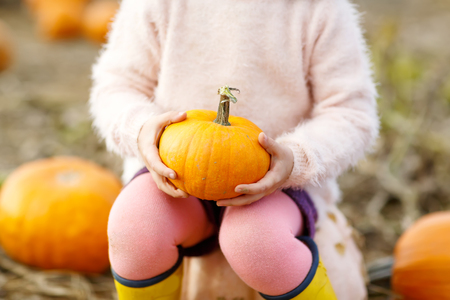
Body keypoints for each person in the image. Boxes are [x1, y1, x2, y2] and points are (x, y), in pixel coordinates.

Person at [89, 0, 379, 299]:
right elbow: (117, 86)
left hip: (281, 185)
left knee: (254, 241)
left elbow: (351, 114)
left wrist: (297, 158)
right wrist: (141, 129)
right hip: (172, 172)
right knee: (136, 225)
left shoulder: (320, 10)